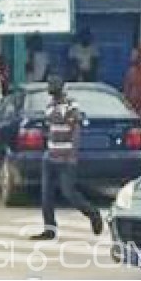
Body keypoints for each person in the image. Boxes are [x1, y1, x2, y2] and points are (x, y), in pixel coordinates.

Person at [30, 75, 103, 241]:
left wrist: (72, 154)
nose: (49, 88)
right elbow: (50, 126)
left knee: (68, 192)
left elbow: (76, 129)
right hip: (50, 155)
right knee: (46, 195)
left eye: (52, 85)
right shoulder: (49, 105)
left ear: (60, 87)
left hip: (66, 156)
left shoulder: (70, 104)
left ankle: (92, 213)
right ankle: (49, 229)